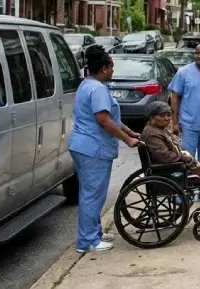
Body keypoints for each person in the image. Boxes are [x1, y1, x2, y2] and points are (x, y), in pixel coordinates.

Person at [68, 46, 140, 253]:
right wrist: (127, 139)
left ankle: (94, 233)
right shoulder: (98, 89)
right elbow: (103, 120)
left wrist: (130, 131)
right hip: (93, 147)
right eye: (112, 67)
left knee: (91, 192)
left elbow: (112, 119)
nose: (113, 72)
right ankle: (87, 241)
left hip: (84, 145)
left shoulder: (88, 84)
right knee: (93, 194)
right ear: (105, 68)